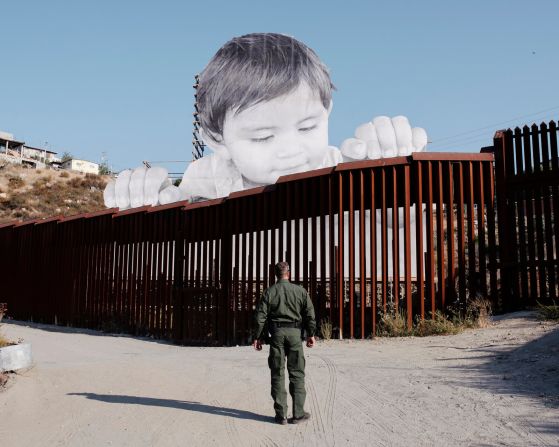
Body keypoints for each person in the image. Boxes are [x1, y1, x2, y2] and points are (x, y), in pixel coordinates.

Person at [103, 32, 428, 208]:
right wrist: (149, 206)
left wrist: (395, 194)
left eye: (307, 127)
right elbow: (178, 242)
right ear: (216, 138)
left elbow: (398, 236)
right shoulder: (206, 180)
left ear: (327, 112)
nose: (291, 150)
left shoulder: (345, 169)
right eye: (262, 137)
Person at [253, 261, 316, 425]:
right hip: (295, 334)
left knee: (277, 373)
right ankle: (298, 414)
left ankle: (281, 415)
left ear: (276, 274)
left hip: (277, 335)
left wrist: (257, 337)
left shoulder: (269, 292)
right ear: (289, 273)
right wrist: (311, 334)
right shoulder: (300, 291)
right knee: (297, 373)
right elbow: (310, 313)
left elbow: (260, 317)